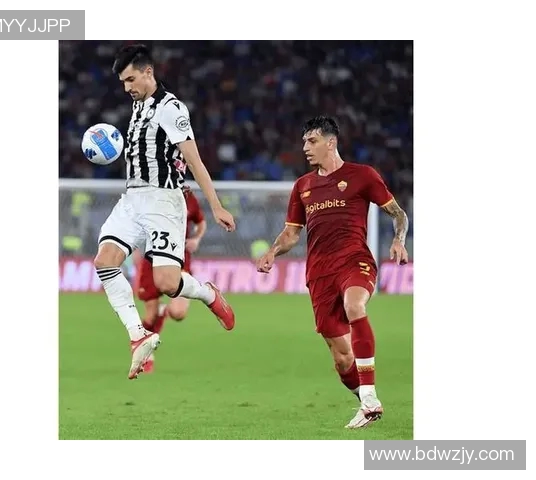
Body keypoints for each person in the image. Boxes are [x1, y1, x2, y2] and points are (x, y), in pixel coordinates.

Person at [93, 44, 236, 380]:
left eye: (131, 79)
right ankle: (138, 335)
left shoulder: (171, 109)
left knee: (168, 283)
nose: (127, 87)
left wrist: (216, 205)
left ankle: (207, 293)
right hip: (132, 198)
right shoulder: (138, 106)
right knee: (104, 261)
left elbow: (195, 161)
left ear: (148, 72)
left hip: (164, 201)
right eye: (123, 82)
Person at [256, 116, 409, 428]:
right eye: (304, 142)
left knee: (355, 306)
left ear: (331, 142)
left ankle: (370, 397)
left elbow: (398, 214)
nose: (305, 147)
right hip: (319, 273)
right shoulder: (302, 186)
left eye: (312, 141)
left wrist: (398, 240)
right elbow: (292, 233)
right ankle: (365, 403)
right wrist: (272, 251)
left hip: (354, 260)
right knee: (342, 358)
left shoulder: (362, 175)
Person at [136, 186, 207, 372]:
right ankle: (145, 353)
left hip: (180, 260)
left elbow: (201, 221)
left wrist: (197, 239)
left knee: (178, 312)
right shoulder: (151, 193)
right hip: (151, 260)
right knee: (150, 315)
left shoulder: (188, 196)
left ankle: (163, 312)